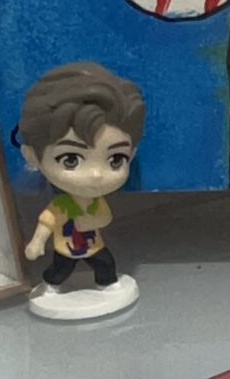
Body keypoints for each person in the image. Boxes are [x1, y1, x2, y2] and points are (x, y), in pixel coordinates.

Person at [17, 60, 145, 322]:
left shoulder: (95, 202)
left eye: (115, 160)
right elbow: (47, 222)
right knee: (60, 270)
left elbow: (104, 217)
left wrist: (93, 221)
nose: (96, 175)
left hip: (93, 245)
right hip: (65, 247)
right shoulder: (62, 205)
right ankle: (51, 284)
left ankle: (107, 283)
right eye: (71, 160)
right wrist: (37, 242)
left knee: (105, 264)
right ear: (32, 156)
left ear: (131, 156)